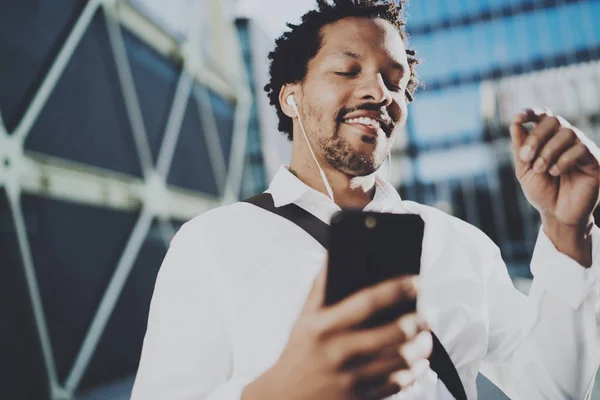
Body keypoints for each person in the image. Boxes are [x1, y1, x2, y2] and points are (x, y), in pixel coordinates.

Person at [131, 1, 600, 399]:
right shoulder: (210, 243)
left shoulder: (461, 244)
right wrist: (280, 390)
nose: (379, 92)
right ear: (290, 98)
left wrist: (566, 230)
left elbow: (551, 389)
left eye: (394, 81)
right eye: (347, 69)